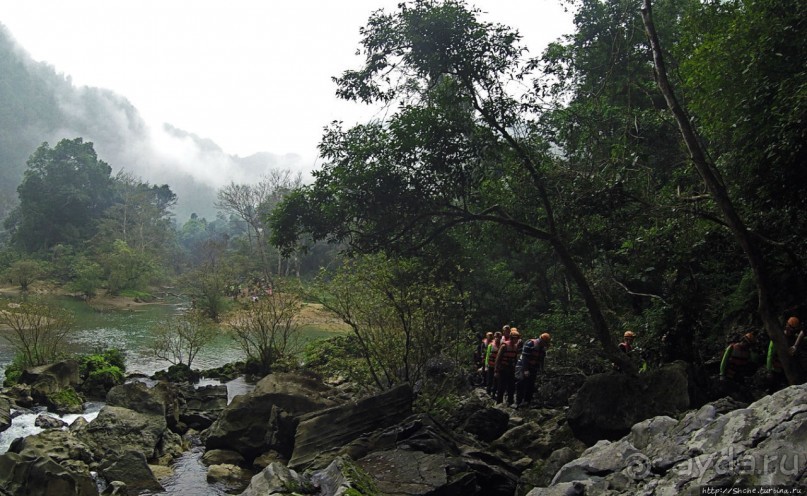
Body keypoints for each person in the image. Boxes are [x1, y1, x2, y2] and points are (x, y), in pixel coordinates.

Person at [515, 332, 551, 408]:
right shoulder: (530, 343)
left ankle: (527, 402)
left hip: (533, 368)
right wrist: (525, 370)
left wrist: (542, 369)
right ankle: (518, 402)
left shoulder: (542, 348)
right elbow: (525, 357)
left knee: (530, 385)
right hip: (523, 366)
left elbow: (541, 359)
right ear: (541, 340)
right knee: (521, 383)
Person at [766, 317, 801, 390]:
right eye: (790, 328)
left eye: (792, 330)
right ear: (786, 325)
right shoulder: (778, 337)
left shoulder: (794, 340)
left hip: (786, 370)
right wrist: (769, 370)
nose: (790, 331)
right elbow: (770, 354)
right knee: (773, 387)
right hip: (775, 369)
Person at [494, 329, 520, 406]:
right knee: (501, 386)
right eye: (516, 338)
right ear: (512, 338)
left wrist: (516, 368)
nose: (517, 340)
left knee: (511, 386)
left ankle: (510, 402)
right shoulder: (504, 346)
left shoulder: (515, 347)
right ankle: (499, 402)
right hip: (503, 369)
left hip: (511, 369)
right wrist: (496, 370)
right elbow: (498, 359)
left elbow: (515, 359)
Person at [485, 331, 503, 397]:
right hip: (491, 365)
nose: (497, 338)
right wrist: (486, 365)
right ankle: (488, 391)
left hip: (498, 366)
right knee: (490, 379)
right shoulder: (491, 345)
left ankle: (494, 392)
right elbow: (487, 355)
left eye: (499, 337)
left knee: (496, 380)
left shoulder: (502, 345)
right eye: (496, 337)